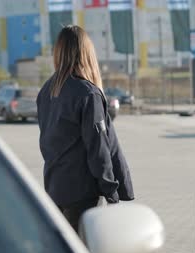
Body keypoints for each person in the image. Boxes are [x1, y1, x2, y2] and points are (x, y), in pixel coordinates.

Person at [36, 25, 134, 231]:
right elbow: (98, 149)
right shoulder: (87, 94)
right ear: (86, 53)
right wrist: (112, 192)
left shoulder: (46, 91)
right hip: (83, 195)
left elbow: (47, 142)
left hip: (54, 190)